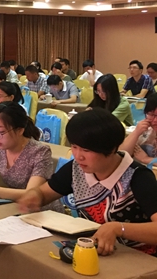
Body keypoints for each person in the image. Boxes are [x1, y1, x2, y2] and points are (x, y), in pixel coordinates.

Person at [19, 109, 157, 257]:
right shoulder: (76, 169)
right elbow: (43, 193)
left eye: (86, 150)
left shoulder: (138, 177)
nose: (78, 156)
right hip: (93, 252)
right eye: (74, 147)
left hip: (140, 258)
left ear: (111, 149)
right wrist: (34, 196)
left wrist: (118, 228)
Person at [0, 102, 60, 210]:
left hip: (42, 211)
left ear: (20, 130)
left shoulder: (40, 152)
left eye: (1, 132)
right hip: (15, 206)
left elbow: (31, 194)